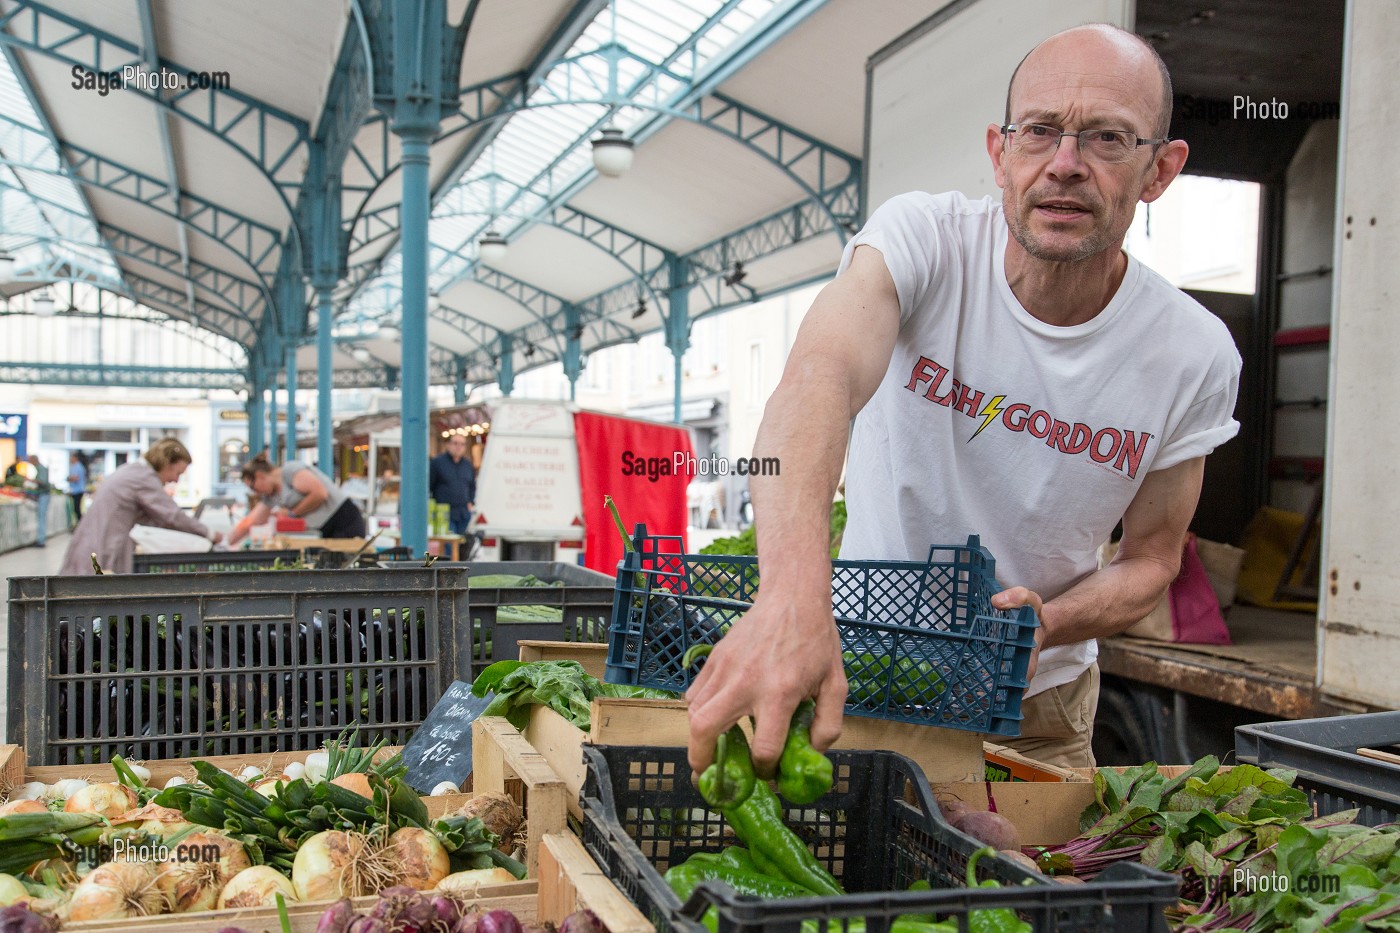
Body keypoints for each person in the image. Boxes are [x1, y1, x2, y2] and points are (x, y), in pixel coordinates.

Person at [686, 24, 1241, 774]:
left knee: (1036, 883)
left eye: (1108, 138)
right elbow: (817, 380)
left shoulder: (1193, 354)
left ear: (1160, 170)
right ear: (999, 152)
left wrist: (1052, 620)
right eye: (1040, 132)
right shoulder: (924, 242)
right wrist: (790, 597)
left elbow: (1151, 559)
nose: (1065, 165)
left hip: (1036, 708)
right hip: (865, 678)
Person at [59, 438, 222, 573]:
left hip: (92, 545)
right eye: (178, 473)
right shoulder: (143, 478)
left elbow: (155, 519)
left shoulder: (133, 471)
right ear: (166, 463)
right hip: (101, 548)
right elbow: (171, 516)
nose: (176, 480)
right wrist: (209, 533)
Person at [226, 455, 366, 546]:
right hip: (324, 531)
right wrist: (228, 541)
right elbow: (253, 520)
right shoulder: (271, 495)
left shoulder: (290, 470)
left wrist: (292, 513)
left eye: (252, 486)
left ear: (260, 476)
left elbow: (319, 493)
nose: (254, 492)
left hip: (344, 522)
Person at [429, 434, 476, 535]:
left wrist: (471, 502)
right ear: (448, 445)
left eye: (462, 444)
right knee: (449, 544)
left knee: (460, 543)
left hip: (463, 513)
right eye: (455, 443)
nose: (458, 447)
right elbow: (429, 485)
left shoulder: (467, 465)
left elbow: (472, 486)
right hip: (444, 512)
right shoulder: (437, 463)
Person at [25, 455, 52, 548]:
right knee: (41, 517)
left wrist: (31, 480)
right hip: (42, 495)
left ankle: (41, 540)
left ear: (34, 460)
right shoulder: (40, 468)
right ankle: (40, 539)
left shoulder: (41, 468)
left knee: (41, 517)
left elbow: (43, 481)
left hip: (44, 495)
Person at [67, 451, 88, 520]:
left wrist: (69, 478)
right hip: (76, 490)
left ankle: (81, 524)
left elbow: (75, 478)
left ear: (75, 458)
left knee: (77, 509)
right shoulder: (75, 466)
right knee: (76, 509)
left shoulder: (77, 466)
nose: (70, 459)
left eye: (71, 458)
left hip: (78, 490)